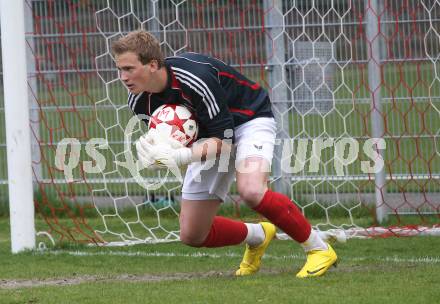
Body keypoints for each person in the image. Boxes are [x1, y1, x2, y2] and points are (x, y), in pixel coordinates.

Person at [112, 30, 338, 278]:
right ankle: (258, 235)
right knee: (192, 234)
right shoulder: (139, 102)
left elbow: (226, 141)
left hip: (249, 120)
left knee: (251, 190)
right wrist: (159, 155)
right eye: (120, 70)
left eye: (129, 69)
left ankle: (318, 249)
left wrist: (181, 157)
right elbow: (185, 141)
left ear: (152, 65)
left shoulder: (194, 78)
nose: (122, 77)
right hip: (212, 137)